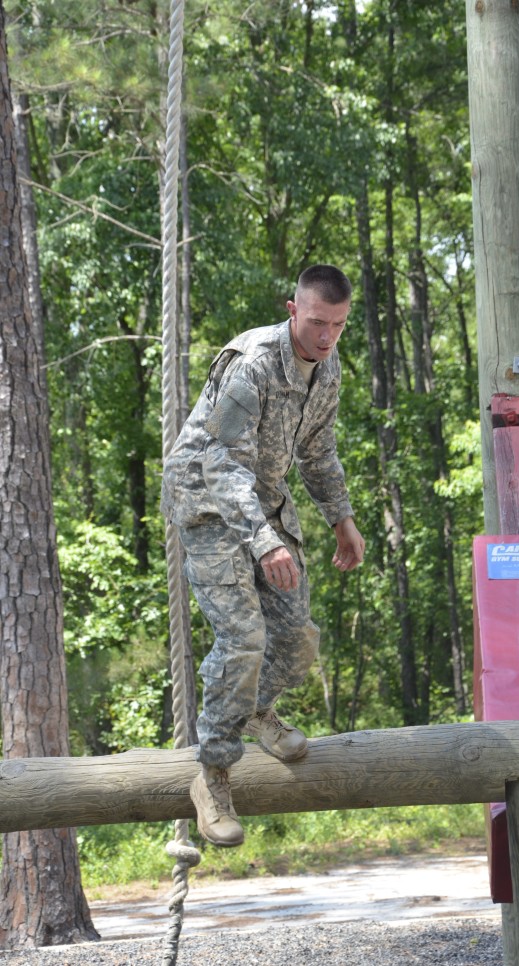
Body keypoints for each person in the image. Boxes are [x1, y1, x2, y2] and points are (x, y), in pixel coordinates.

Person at [161, 264, 365, 848]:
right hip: (207, 500)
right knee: (244, 638)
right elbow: (221, 464)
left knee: (296, 634)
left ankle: (257, 711)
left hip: (263, 500)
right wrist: (265, 540)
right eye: (318, 322)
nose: (327, 336)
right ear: (292, 309)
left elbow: (318, 453)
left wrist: (341, 520)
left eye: (339, 326)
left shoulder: (327, 372)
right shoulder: (253, 361)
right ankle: (213, 776)